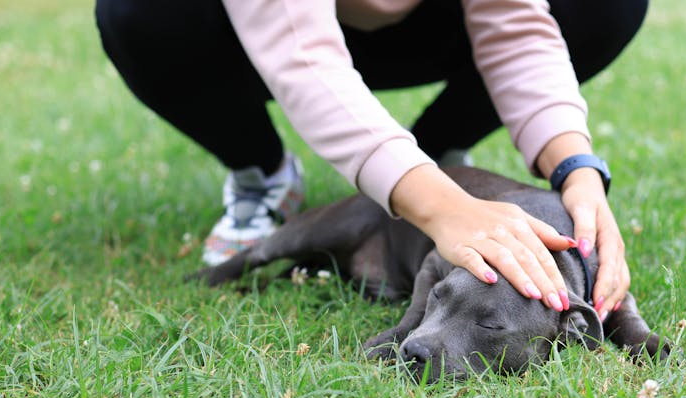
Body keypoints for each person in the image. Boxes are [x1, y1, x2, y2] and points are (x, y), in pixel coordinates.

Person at [95, 0, 647, 320]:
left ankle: (436, 157)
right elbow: (303, 55)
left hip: (430, 24)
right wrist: (441, 210)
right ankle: (262, 171)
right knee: (142, 13)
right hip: (255, 33)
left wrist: (576, 169)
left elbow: (516, 29)